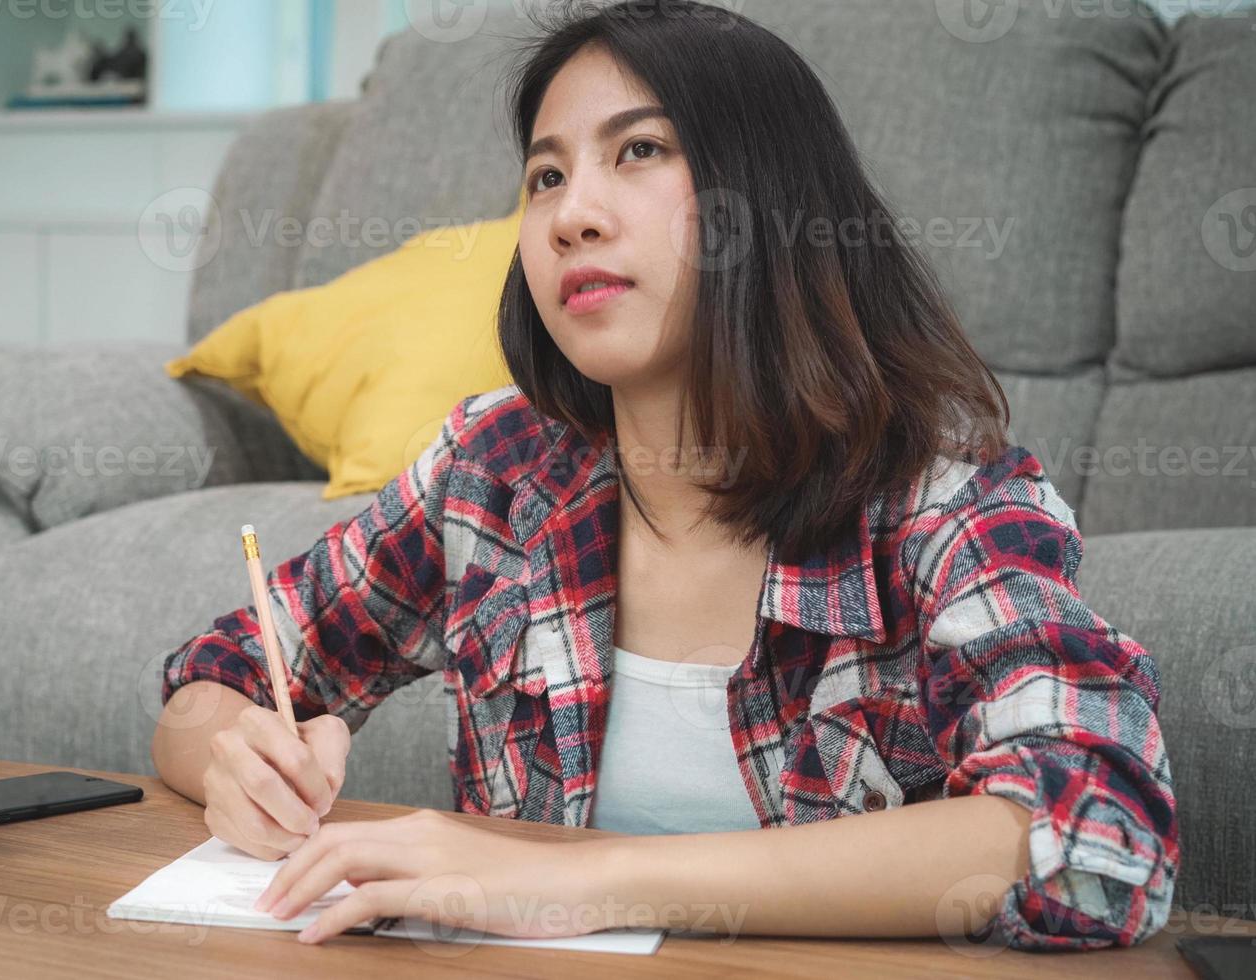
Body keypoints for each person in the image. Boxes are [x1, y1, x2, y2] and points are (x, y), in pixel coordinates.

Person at [150, 0, 1176, 951]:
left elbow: (1095, 838)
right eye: (544, 175)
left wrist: (578, 883)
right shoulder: (490, 472)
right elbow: (217, 674)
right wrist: (240, 758)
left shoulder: (936, 496)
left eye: (636, 151)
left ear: (767, 198)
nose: (568, 215)